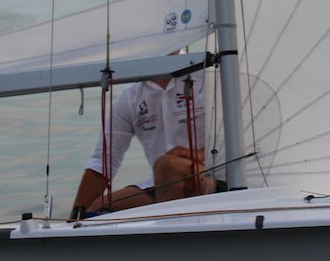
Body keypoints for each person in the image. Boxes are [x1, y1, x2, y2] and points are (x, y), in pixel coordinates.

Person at [69, 59, 219, 220]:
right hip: (162, 183)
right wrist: (76, 217)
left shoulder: (208, 76)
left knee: (167, 166)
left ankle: (172, 233)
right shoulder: (131, 95)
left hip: (213, 178)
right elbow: (103, 161)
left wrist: (199, 154)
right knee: (97, 209)